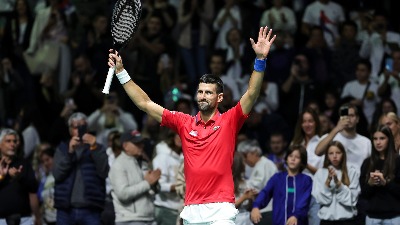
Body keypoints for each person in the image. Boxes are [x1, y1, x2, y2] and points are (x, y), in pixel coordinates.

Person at [107, 26, 276, 225]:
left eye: (208, 92)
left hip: (220, 208)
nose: (202, 96)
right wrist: (121, 73)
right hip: (191, 210)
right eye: (200, 92)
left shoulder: (229, 120)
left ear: (219, 97)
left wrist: (260, 60)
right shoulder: (184, 122)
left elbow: (252, 93)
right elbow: (145, 103)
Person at [53, 112, 109, 225]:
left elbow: (104, 172)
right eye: (75, 127)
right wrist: (70, 153)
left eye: (82, 127)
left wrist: (94, 148)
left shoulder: (97, 148)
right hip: (65, 210)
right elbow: (57, 175)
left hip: (91, 208)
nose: (79, 130)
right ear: (70, 130)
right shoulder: (62, 149)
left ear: (87, 128)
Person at [109, 130, 161, 225]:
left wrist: (155, 183)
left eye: (141, 143)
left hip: (149, 218)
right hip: (129, 220)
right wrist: (147, 183)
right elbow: (123, 194)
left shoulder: (142, 162)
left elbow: (152, 191)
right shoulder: (118, 165)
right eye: (137, 143)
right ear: (125, 146)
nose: (141, 146)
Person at [250, 145, 312, 225]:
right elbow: (265, 193)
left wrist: (296, 215)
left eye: (297, 157)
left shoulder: (306, 180)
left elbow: (304, 201)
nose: (293, 159)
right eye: (290, 156)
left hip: (298, 222)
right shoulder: (277, 178)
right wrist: (256, 206)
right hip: (278, 222)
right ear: (286, 159)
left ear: (302, 162)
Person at [312, 141, 360, 225]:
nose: (334, 156)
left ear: (343, 154)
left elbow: (353, 199)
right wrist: (327, 182)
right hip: (327, 221)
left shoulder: (351, 172)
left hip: (347, 221)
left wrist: (338, 183)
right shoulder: (320, 173)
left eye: (338, 153)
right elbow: (321, 200)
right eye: (331, 153)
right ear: (327, 156)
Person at [0, 128, 42, 225]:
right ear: (0, 145)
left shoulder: (24, 164)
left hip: (24, 219)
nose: (12, 144)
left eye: (14, 141)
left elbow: (33, 190)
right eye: (8, 141)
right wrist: (2, 176)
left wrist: (20, 178)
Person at [360, 125, 400, 225]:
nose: (378, 142)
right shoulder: (367, 163)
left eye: (382, 138)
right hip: (372, 217)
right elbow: (364, 194)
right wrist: (370, 184)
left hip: (394, 217)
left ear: (389, 140)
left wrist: (385, 183)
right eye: (375, 139)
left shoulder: (398, 161)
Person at [237, 139, 278, 225]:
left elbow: (257, 186)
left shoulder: (265, 164)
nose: (244, 160)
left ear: (253, 152)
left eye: (245, 156)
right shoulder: (259, 165)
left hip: (267, 210)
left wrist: (239, 183)